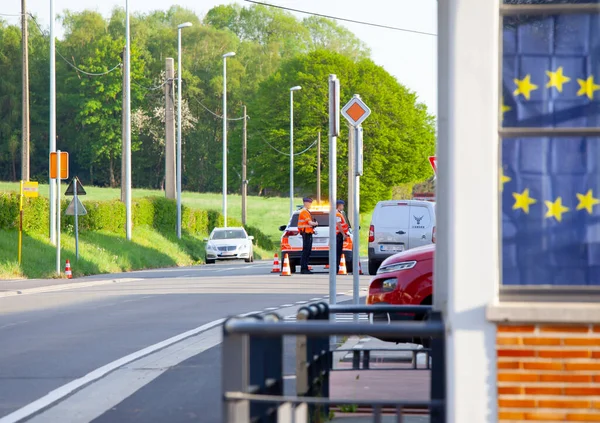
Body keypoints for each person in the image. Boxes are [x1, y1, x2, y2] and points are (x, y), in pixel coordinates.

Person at [298, 197, 318, 274]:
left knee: (307, 251)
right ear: (306, 203)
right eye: (310, 203)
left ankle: (305, 267)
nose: (310, 205)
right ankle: (304, 268)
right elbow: (310, 223)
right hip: (306, 233)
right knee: (306, 251)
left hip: (307, 233)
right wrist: (316, 223)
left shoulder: (306, 211)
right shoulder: (304, 212)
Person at [335, 200, 350, 274]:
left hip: (339, 235)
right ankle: (336, 269)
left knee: (338, 252)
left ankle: (336, 268)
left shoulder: (339, 213)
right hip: (338, 235)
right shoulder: (337, 214)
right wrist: (343, 234)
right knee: (337, 253)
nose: (343, 207)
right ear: (339, 205)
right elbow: (339, 225)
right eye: (342, 205)